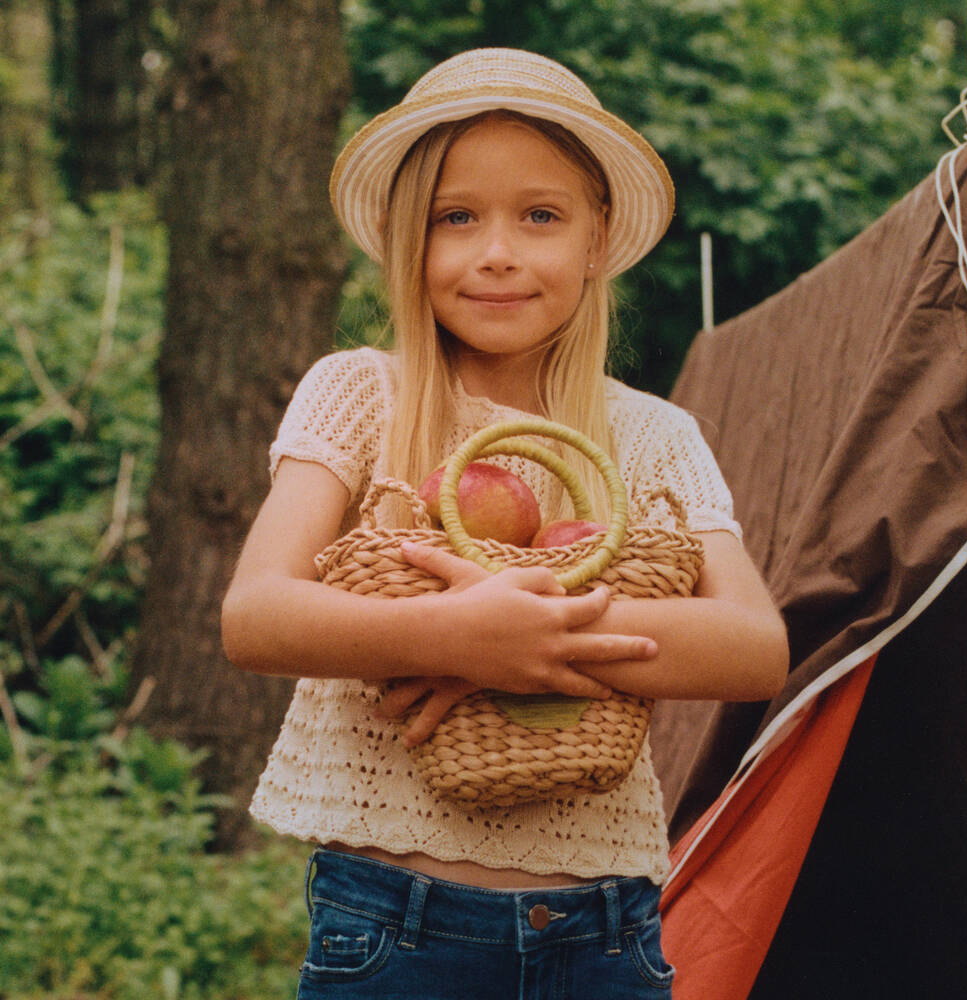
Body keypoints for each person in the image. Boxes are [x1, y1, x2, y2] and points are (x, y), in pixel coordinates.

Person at [221, 47, 788, 1000]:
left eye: (540, 216)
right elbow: (257, 615)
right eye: (456, 217)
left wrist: (524, 634)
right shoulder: (361, 393)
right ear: (408, 241)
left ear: (596, 238)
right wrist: (447, 634)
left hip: (604, 938)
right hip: (394, 929)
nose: (497, 252)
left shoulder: (654, 435)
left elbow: (754, 648)